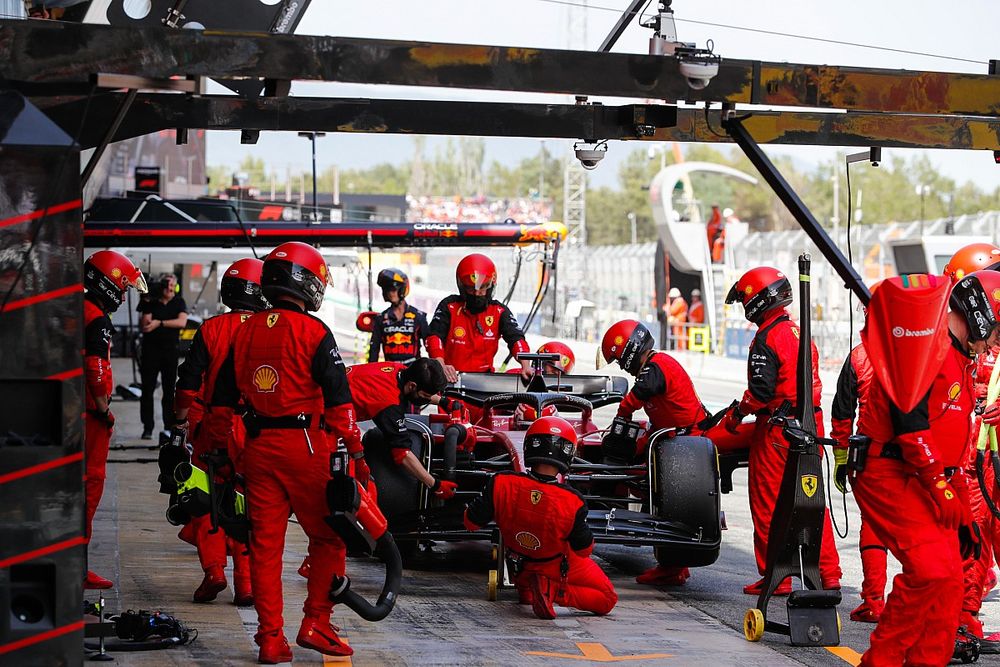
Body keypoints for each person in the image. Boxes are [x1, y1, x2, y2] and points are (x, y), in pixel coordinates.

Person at [205, 242, 363, 662]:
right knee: (328, 538)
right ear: (308, 283)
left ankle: (270, 638)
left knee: (265, 547)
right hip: (306, 448)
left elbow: (221, 402)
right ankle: (316, 623)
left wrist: (219, 453)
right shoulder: (315, 332)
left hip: (257, 449)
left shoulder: (243, 331)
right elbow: (340, 402)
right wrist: (356, 451)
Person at [852, 270, 1000, 665]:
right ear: (981, 316)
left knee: (950, 584)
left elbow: (951, 443)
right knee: (930, 571)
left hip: (926, 476)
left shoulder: (960, 358)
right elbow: (909, 423)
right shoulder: (925, 347)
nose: (994, 344)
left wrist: (962, 508)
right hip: (890, 471)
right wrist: (939, 485)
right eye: (996, 332)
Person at [723, 266, 842, 595]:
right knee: (812, 502)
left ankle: (776, 577)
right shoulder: (798, 332)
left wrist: (737, 414)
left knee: (768, 503)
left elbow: (760, 393)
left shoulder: (767, 338)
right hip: (811, 426)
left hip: (778, 430)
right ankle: (829, 574)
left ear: (757, 300)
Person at [174, 258, 269, 607]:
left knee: (205, 498)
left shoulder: (210, 328)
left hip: (214, 424)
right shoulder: (269, 329)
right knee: (248, 502)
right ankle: (246, 584)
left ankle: (214, 571)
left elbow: (187, 382)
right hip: (257, 428)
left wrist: (179, 421)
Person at [464, 416, 618, 619]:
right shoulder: (572, 500)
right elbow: (584, 550)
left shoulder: (500, 482)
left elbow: (471, 522)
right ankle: (553, 590)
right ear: (568, 453)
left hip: (520, 567)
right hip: (555, 566)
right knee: (607, 598)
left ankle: (535, 587)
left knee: (528, 597)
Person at [600, 319, 708, 587]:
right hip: (675, 440)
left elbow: (641, 392)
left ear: (629, 350)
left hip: (685, 443)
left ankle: (672, 566)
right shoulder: (656, 366)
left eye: (620, 360)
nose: (622, 366)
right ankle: (674, 564)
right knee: (644, 480)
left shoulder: (656, 367)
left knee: (667, 502)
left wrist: (622, 413)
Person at [943, 243, 1000, 649]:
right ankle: (965, 618)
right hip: (972, 456)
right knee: (973, 538)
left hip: (986, 458)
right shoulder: (956, 342)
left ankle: (964, 617)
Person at [82, 250, 148, 589]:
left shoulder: (74, 309)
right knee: (89, 487)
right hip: (90, 417)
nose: (123, 297)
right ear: (108, 284)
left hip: (67, 411)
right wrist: (102, 408)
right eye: (122, 288)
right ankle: (78, 570)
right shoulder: (98, 320)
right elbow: (95, 366)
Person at [347, 358, 461, 496]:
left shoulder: (400, 370)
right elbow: (402, 454)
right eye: (426, 396)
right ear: (412, 386)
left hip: (334, 394)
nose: (427, 399)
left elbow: (416, 390)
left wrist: (444, 401)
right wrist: (434, 484)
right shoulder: (389, 403)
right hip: (327, 417)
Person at [830, 339, 883, 622]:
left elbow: (842, 412)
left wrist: (841, 457)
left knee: (873, 524)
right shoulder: (925, 347)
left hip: (872, 454)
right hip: (919, 457)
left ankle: (873, 601)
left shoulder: (860, 356)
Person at [427, 253, 531, 383]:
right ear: (462, 286)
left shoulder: (499, 311)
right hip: (451, 379)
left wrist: (526, 365)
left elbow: (516, 338)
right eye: (471, 288)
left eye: (482, 287)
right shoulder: (449, 306)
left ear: (491, 285)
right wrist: (440, 365)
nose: (477, 293)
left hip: (485, 382)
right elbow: (434, 336)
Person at [138, 272, 188, 438]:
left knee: (169, 391)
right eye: (167, 285)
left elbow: (182, 322)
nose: (170, 289)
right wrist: (146, 302)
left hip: (170, 352)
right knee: (147, 390)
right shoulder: (152, 302)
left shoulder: (179, 302)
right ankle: (147, 427)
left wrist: (159, 323)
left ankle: (168, 426)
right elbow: (145, 325)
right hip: (150, 351)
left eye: (173, 286)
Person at [367, 268, 430, 364]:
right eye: (387, 289)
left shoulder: (418, 316)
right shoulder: (381, 318)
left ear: (402, 289)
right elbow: (374, 350)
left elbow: (430, 345)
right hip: (390, 369)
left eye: (393, 289)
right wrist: (371, 370)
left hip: (414, 369)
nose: (390, 293)